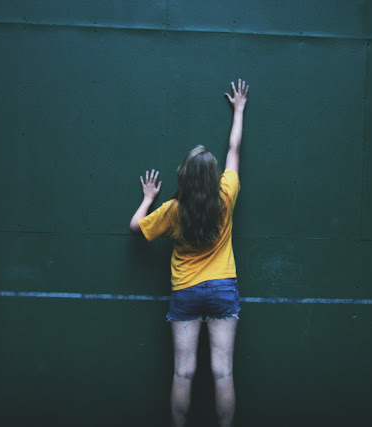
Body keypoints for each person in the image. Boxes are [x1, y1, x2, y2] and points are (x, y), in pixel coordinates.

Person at [130, 79, 248, 427]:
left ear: (183, 175)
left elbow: (136, 227)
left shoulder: (172, 210)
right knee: (223, 371)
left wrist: (148, 199)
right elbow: (234, 150)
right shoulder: (226, 196)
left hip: (185, 290)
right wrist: (239, 110)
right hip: (223, 287)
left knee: (183, 373)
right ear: (213, 177)